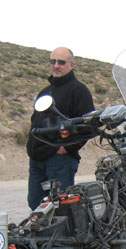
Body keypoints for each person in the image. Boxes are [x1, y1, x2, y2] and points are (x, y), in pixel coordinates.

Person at [26, 47, 95, 210]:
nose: (56, 65)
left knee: (60, 206)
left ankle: (63, 235)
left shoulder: (78, 90)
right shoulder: (46, 91)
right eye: (53, 61)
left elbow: (89, 126)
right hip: (37, 159)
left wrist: (68, 147)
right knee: (36, 204)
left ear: (71, 65)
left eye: (61, 62)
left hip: (59, 159)